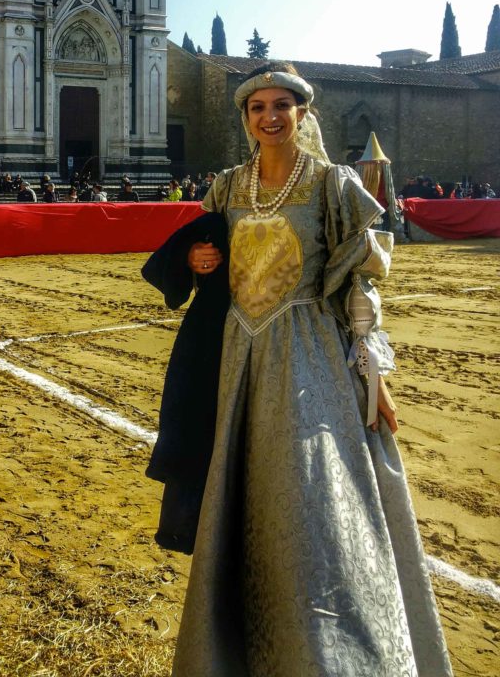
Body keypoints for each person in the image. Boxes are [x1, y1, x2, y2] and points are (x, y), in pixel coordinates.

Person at [145, 61, 453, 677]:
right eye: (258, 107)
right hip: (235, 356)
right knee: (240, 487)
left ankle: (325, 651)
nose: (270, 116)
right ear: (246, 118)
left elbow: (359, 286)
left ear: (302, 113)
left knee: (314, 495)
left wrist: (372, 370)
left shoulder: (333, 184)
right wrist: (202, 258)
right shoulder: (228, 187)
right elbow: (210, 252)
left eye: (282, 105)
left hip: (310, 352)